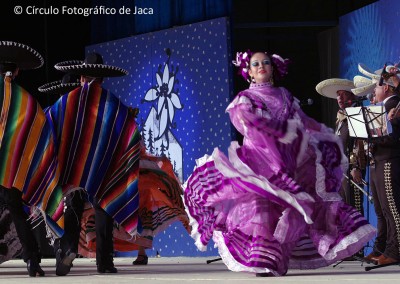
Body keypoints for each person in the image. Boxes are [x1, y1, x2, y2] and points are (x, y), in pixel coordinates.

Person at [183, 50, 376, 276]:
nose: (261, 66)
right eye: (255, 64)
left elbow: (302, 123)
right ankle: (263, 261)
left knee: (291, 210)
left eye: (265, 62)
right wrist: (278, 136)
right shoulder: (245, 99)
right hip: (259, 161)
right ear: (249, 72)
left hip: (288, 162)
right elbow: (248, 125)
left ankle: (278, 258)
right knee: (262, 211)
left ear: (273, 68)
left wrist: (317, 139)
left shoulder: (284, 95)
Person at [42, 52, 141, 275]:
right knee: (103, 207)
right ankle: (104, 262)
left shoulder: (69, 100)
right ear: (103, 79)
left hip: (72, 167)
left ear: (81, 78)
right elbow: (130, 131)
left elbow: (50, 124)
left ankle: (68, 249)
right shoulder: (113, 104)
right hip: (103, 169)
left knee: (73, 207)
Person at [0, 41, 59, 276]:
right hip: (13, 171)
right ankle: (33, 261)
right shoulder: (26, 101)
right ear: (17, 72)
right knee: (17, 212)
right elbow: (39, 132)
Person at [356, 63, 400, 266]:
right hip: (379, 160)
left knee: (392, 208)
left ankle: (395, 250)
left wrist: (373, 139)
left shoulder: (394, 104)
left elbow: (393, 136)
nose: (374, 90)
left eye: (377, 86)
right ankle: (383, 248)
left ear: (387, 88)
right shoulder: (385, 107)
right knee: (382, 210)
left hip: (389, 160)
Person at [315, 79, 367, 232]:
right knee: (343, 208)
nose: (339, 98)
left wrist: (357, 166)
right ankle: (350, 245)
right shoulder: (340, 118)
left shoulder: (356, 115)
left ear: (352, 95)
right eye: (338, 95)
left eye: (343, 94)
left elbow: (360, 143)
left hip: (352, 169)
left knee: (354, 207)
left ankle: (360, 248)